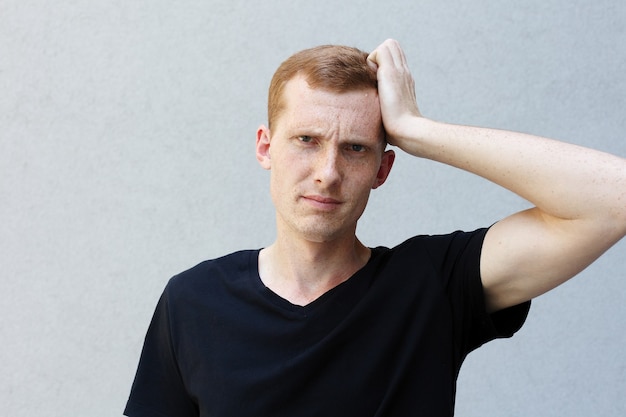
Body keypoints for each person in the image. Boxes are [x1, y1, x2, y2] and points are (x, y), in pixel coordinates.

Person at [124, 39, 626, 416]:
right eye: (306, 139)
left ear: (382, 169)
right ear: (265, 147)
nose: (328, 171)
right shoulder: (192, 302)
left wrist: (416, 129)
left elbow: (614, 197)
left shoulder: (433, 284)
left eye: (355, 148)